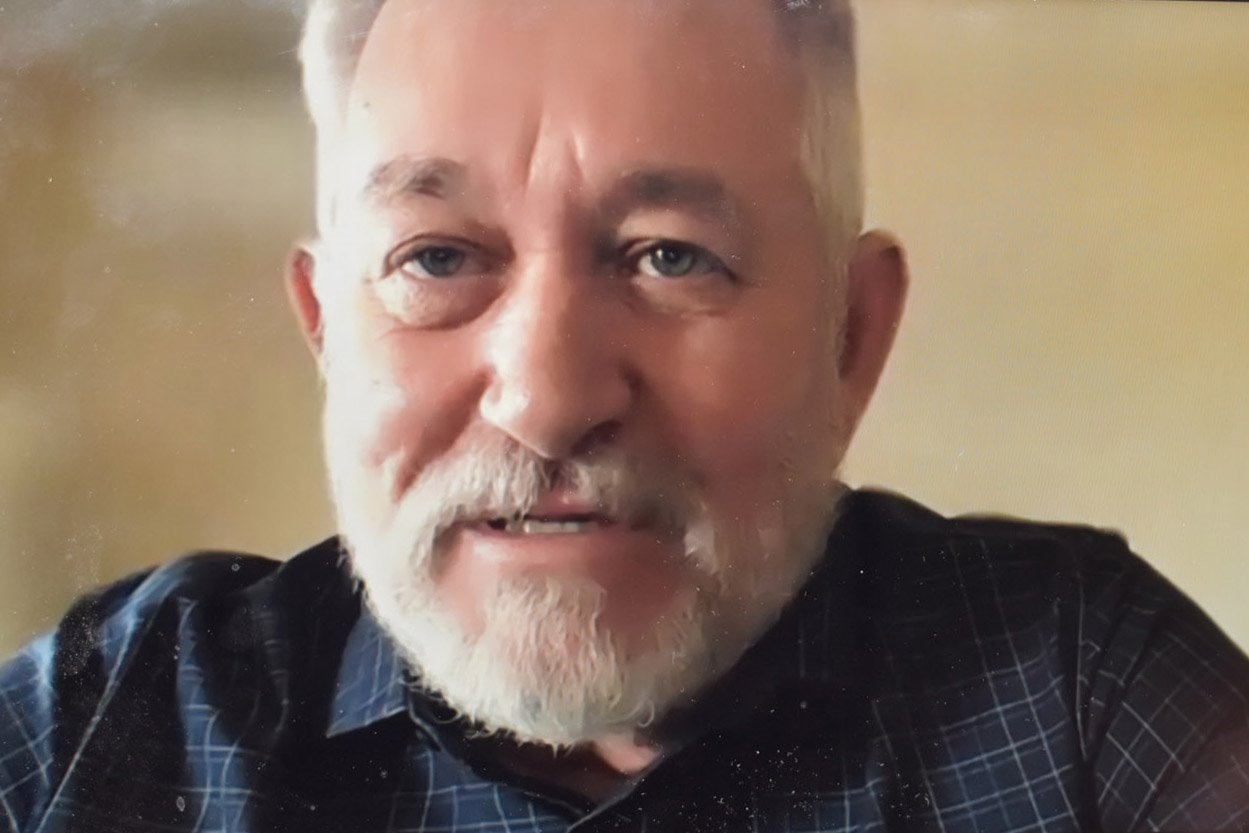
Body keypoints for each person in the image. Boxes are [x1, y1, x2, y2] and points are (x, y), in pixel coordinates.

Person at [1, 0, 1246, 830]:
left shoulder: (1077, 697)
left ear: (850, 340)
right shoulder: (104, 728)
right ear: (326, 328)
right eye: (436, 259)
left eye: (670, 256)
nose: (547, 402)